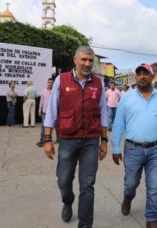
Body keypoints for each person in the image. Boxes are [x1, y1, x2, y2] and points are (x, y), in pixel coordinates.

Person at [43, 45, 108, 228]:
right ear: (75, 60)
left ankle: (85, 224)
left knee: (87, 185)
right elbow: (51, 112)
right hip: (67, 139)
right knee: (64, 180)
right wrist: (47, 140)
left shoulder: (98, 83)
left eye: (90, 60)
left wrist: (104, 141)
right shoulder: (61, 81)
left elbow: (103, 114)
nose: (87, 64)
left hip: (90, 141)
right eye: (84, 60)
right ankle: (67, 201)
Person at [111, 63, 157, 228]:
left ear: (152, 77)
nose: (142, 76)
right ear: (135, 77)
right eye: (139, 74)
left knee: (154, 185)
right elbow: (118, 124)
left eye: (145, 73)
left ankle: (151, 218)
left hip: (156, 149)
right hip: (133, 149)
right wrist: (116, 148)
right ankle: (127, 198)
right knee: (131, 183)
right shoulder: (126, 98)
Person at [36, 78, 54, 147]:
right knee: (43, 126)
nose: (50, 83)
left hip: (52, 112)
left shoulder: (55, 90)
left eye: (51, 82)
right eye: (49, 82)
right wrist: (39, 110)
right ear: (47, 83)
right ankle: (42, 140)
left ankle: (56, 140)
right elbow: (41, 102)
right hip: (45, 112)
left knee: (53, 126)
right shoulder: (43, 91)